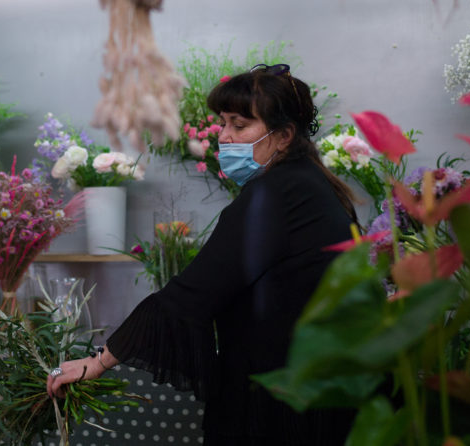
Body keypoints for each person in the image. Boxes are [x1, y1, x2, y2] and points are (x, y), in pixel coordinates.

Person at [48, 65, 358, 445]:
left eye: (239, 125)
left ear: (284, 136)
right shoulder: (310, 185)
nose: (224, 136)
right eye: (223, 123)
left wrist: (97, 362)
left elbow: (194, 292)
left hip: (281, 403)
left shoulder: (278, 193)